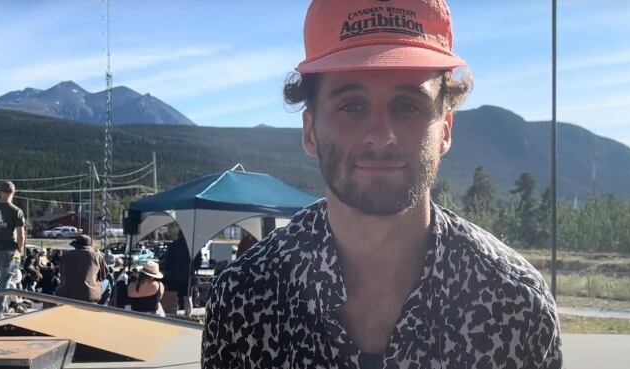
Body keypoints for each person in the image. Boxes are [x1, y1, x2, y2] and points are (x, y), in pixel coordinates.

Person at [202, 1, 562, 368]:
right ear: (310, 130)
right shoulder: (244, 298)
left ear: (446, 130)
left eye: (407, 106)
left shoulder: (515, 306)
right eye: (351, 106)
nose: (381, 136)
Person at [0, 181, 26, 318]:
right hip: (8, 249)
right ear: (13, 193)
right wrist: (21, 250)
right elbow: (21, 236)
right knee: (5, 281)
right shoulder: (16, 211)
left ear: (0, 192)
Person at [56, 235, 108, 303]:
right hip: (89, 295)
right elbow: (103, 276)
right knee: (107, 282)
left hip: (65, 294)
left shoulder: (65, 255)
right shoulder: (96, 256)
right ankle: (101, 309)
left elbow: (61, 274)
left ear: (75, 245)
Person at [159, 233, 193, 318]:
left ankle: (173, 316)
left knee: (172, 298)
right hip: (187, 276)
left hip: (173, 276)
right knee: (188, 297)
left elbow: (167, 261)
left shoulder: (173, 245)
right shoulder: (192, 246)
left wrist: (162, 267)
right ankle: (188, 315)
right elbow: (198, 262)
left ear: (178, 234)